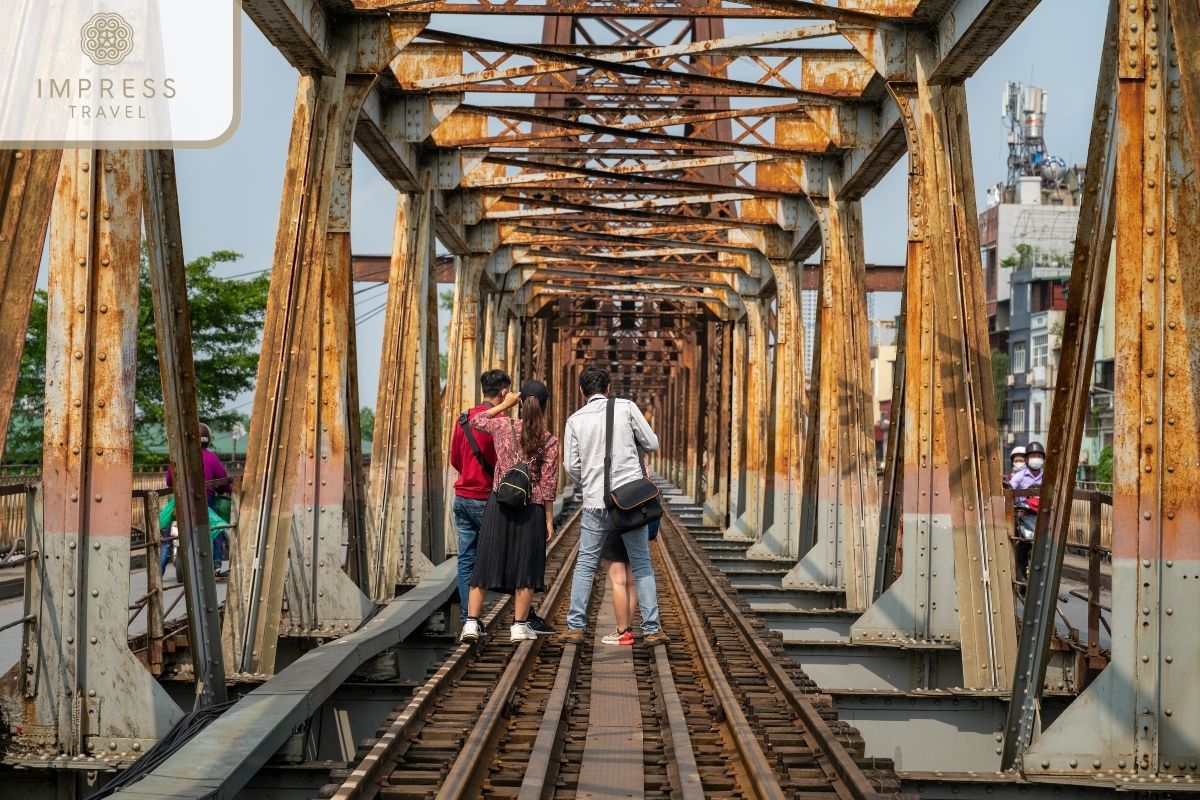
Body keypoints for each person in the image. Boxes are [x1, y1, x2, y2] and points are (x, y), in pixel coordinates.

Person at [562, 366, 668, 646]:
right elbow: (653, 443)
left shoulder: (574, 420)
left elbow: (571, 466)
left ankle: (575, 627)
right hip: (630, 501)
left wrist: (590, 483)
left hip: (595, 503)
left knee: (586, 564)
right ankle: (652, 629)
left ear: (582, 391)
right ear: (608, 388)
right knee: (642, 563)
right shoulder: (627, 407)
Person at [459, 381, 560, 643]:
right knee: (525, 568)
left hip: (499, 504)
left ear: (521, 401)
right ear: (545, 405)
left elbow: (476, 420)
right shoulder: (549, 440)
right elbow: (548, 485)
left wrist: (505, 404)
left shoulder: (504, 426)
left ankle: (471, 623)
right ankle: (519, 626)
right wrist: (549, 520)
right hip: (532, 508)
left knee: (485, 563)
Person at [163, 423, 232, 575]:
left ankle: (159, 569)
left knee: (168, 533)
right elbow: (224, 481)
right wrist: (229, 491)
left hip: (181, 500)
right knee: (216, 529)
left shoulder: (179, 456)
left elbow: (169, 481)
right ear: (207, 440)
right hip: (204, 500)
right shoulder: (211, 457)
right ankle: (216, 564)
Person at [1010, 440, 1046, 582]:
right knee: (1022, 545)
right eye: (1033, 456)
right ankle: (1021, 577)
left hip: (1042, 516)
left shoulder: (1046, 476)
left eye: (1039, 456)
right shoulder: (1020, 476)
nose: (1036, 459)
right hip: (1023, 515)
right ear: (1027, 459)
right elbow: (1009, 491)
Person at [599, 530, 637, 646]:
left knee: (618, 582)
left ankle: (622, 630)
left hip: (615, 525)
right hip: (636, 524)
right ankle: (628, 629)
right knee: (631, 583)